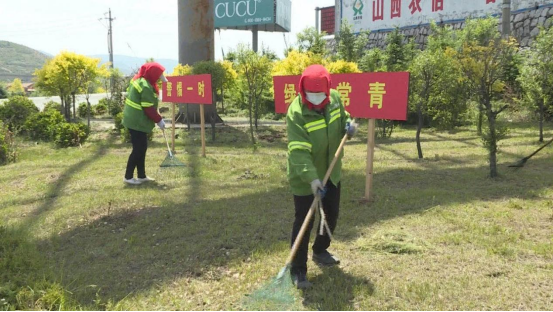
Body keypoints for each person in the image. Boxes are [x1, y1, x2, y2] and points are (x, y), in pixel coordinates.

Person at [286, 64, 357, 289]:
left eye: (320, 95)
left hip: (332, 170)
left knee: (331, 214)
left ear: (327, 91)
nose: (315, 100)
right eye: (310, 95)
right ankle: (297, 269)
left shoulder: (335, 99)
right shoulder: (296, 113)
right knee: (304, 222)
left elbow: (344, 117)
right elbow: (298, 152)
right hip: (306, 177)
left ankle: (320, 250)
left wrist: (349, 125)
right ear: (302, 90)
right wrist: (313, 179)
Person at [122, 62, 167, 185]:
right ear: (152, 74)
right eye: (158, 76)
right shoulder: (145, 86)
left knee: (142, 148)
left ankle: (141, 175)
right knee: (138, 149)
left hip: (135, 119)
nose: (159, 79)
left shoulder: (140, 80)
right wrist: (159, 120)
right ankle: (128, 177)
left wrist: (157, 117)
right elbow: (147, 107)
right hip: (136, 121)